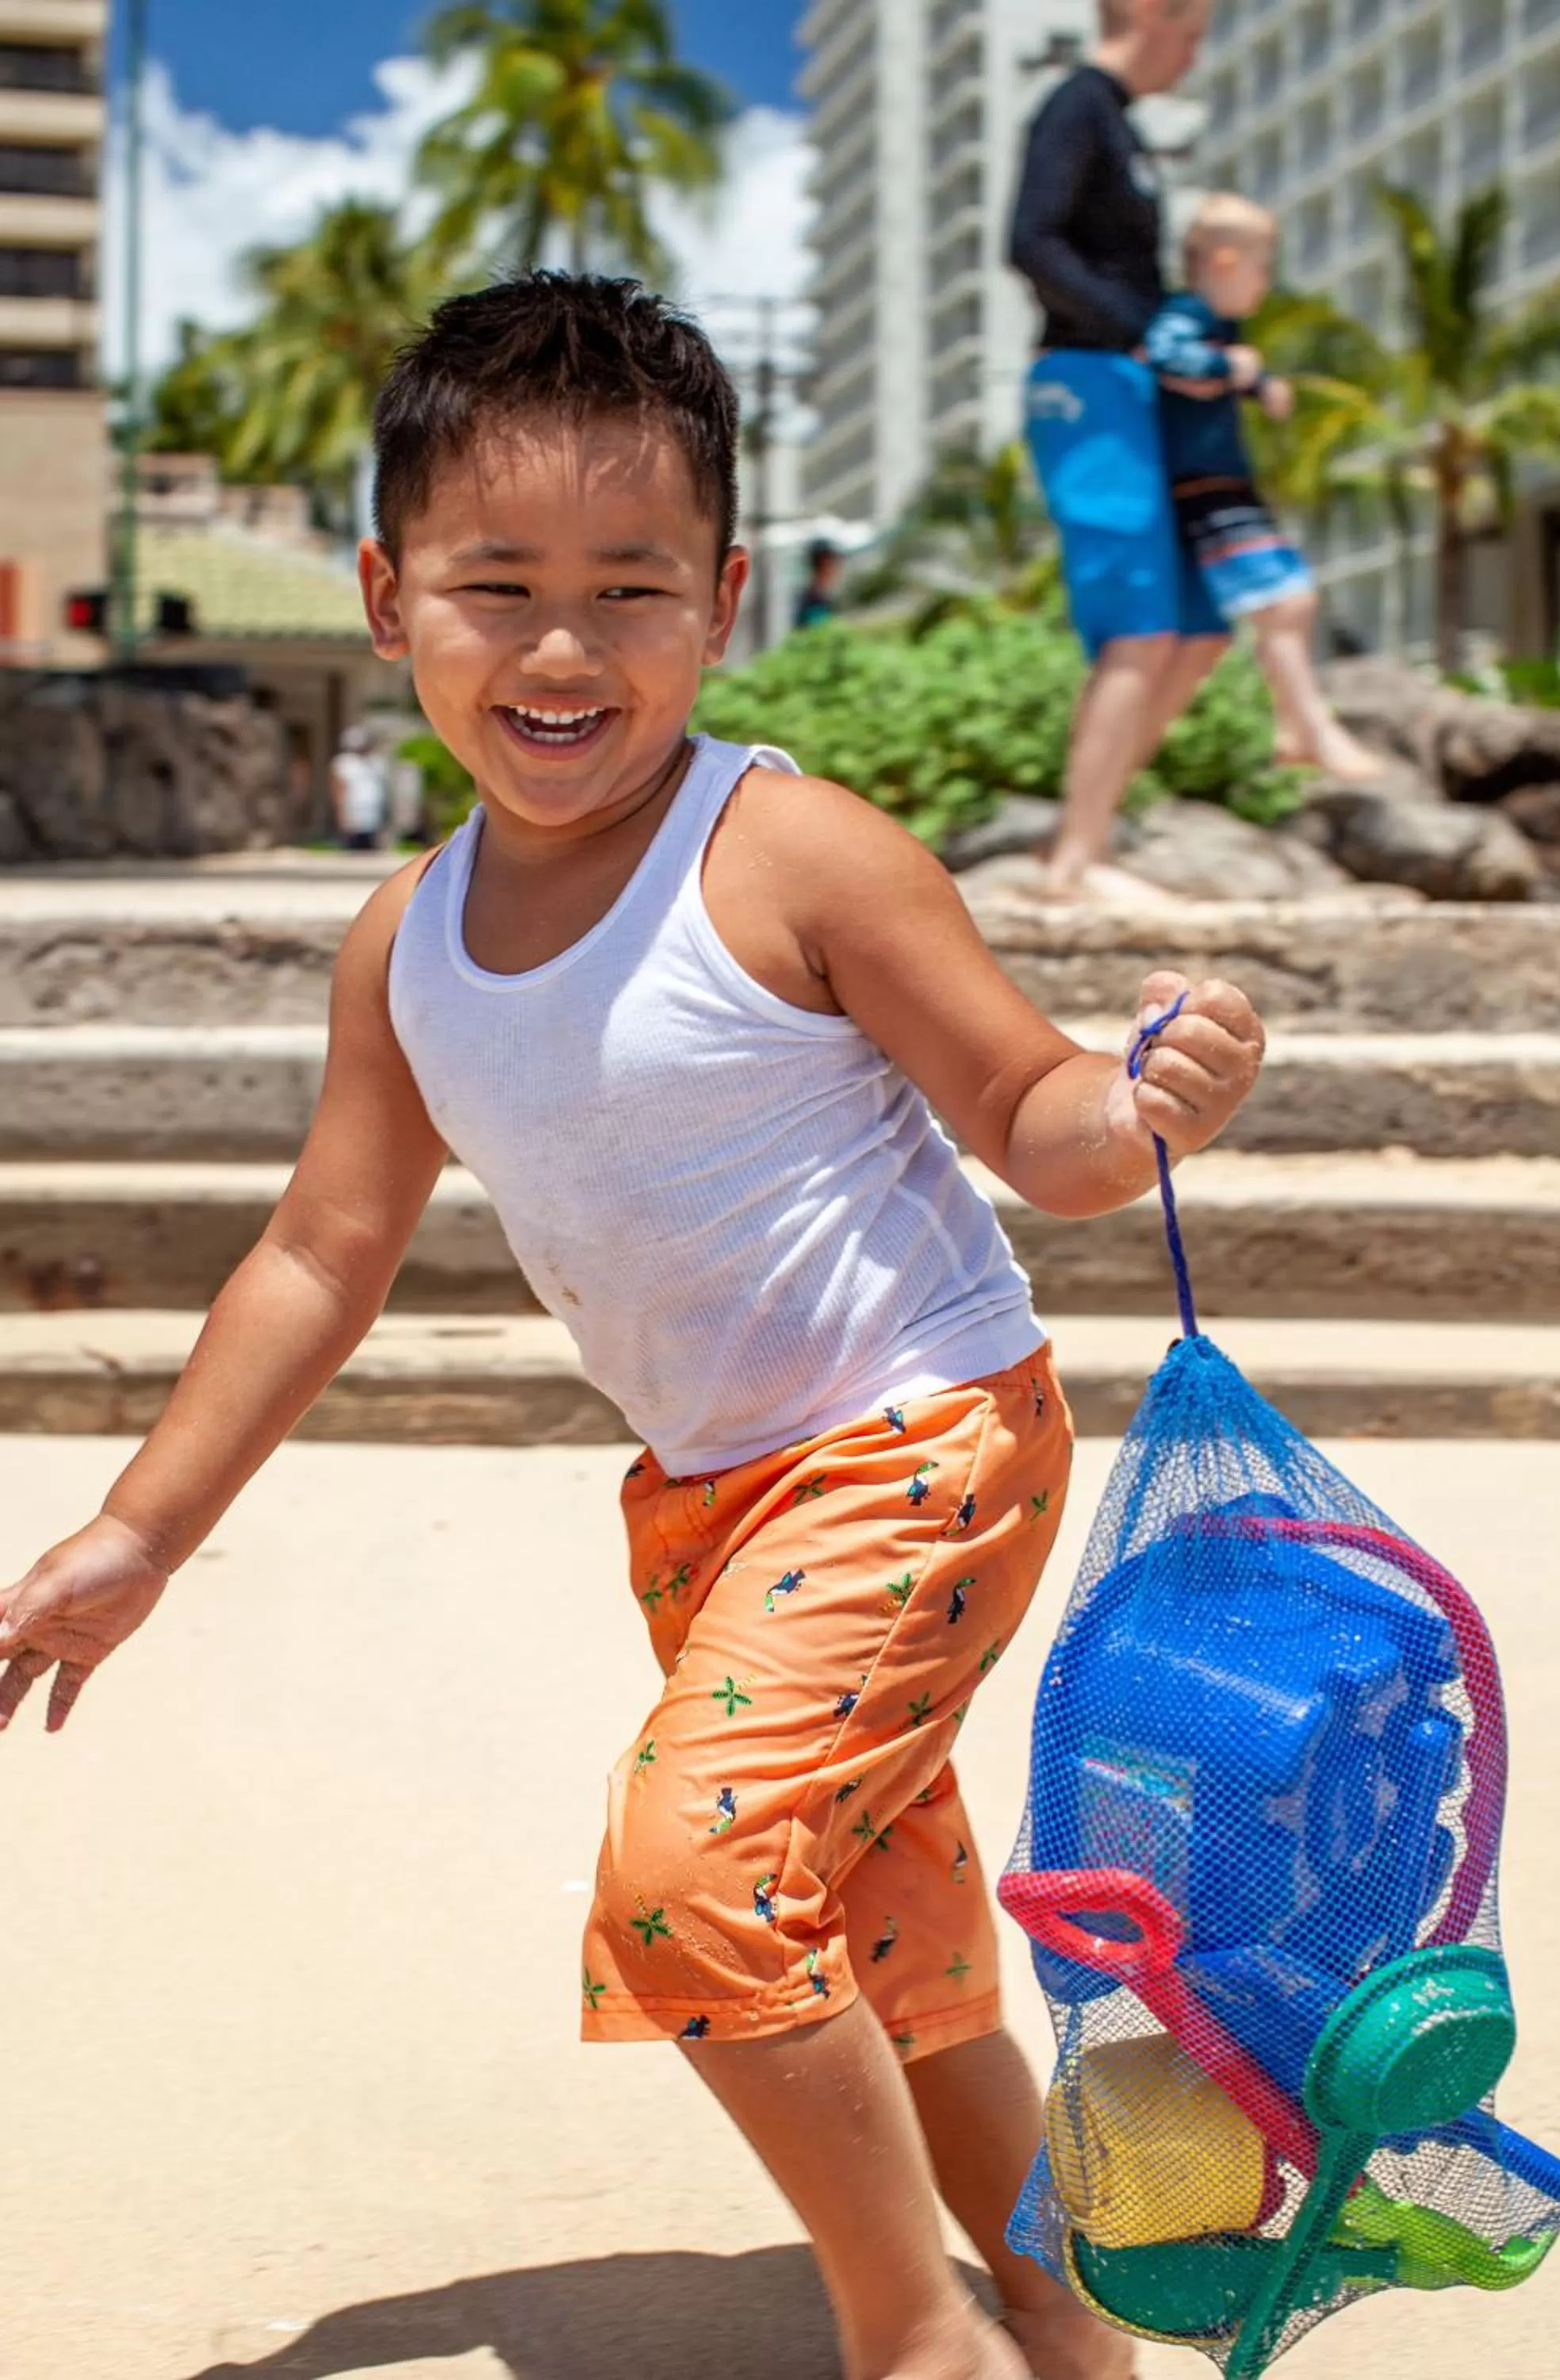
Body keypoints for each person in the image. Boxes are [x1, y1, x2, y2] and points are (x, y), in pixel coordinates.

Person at [0, 274, 1265, 2380]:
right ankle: (1053, 2304)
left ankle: (909, 2340)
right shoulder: (406, 945)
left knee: (691, 1876)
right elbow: (321, 1254)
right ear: (389, 593)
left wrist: (1129, 1102)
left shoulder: (792, 855)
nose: (563, 648)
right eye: (496, 585)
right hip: (711, 1510)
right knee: (888, 1937)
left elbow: (1025, 1107)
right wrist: (139, 1533)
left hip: (919, 1440)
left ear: (728, 597)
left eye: (632, 587)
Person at [1009, 0, 1225, 904]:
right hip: (1086, 385)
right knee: (1139, 628)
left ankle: (1086, 833)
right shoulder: (1075, 104)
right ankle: (1076, 859)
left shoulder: (1121, 125)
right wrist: (1141, 333)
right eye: (1192, 27)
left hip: (1130, 386)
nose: (1196, 49)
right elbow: (1029, 242)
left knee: (1199, 629)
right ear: (1146, 12)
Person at [1144, 194, 1384, 781]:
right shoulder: (1187, 319)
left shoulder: (1220, 330)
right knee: (1285, 600)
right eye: (1262, 266)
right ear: (1224, 261)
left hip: (1221, 488)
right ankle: (1309, 727)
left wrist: (1259, 382)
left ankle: (1297, 725)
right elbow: (1166, 355)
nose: (1266, 283)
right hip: (1205, 489)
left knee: (1280, 606)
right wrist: (1236, 372)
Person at [330, 724, 388, 852]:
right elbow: (339, 789)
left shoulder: (376, 761)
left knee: (370, 849)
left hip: (373, 813)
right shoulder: (344, 763)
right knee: (353, 848)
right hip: (353, 813)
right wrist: (340, 813)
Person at [795, 536, 844, 630]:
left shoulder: (823, 595)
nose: (838, 567)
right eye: (833, 561)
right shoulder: (812, 600)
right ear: (824, 563)